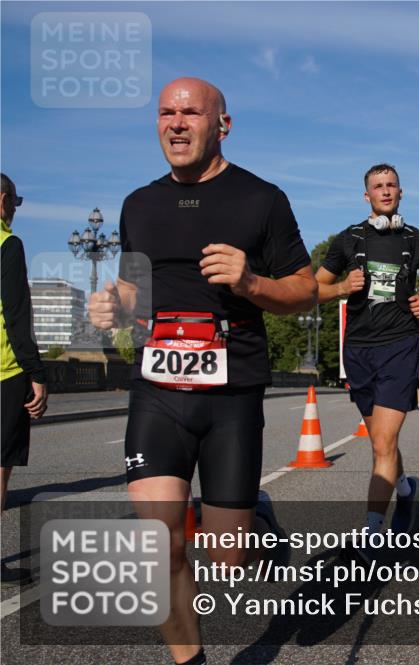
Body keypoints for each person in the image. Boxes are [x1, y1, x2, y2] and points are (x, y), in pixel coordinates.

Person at [88, 78, 317, 665]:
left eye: (192, 112)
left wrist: (251, 282)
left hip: (230, 392)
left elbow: (305, 291)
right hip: (158, 390)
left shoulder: (261, 199)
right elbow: (136, 289)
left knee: (226, 555)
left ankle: (255, 526)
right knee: (156, 546)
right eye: (167, 112)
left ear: (223, 124)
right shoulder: (139, 203)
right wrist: (115, 305)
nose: (178, 122)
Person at [316, 163, 419, 558]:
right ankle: (405, 489)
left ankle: (372, 533)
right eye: (378, 186)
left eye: (391, 185)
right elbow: (314, 287)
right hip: (358, 349)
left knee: (384, 442)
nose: (385, 191)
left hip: (401, 345)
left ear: (401, 193)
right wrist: (341, 287)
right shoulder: (348, 239)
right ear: (367, 196)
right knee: (380, 441)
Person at [1, 173, 48, 586]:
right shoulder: (8, 245)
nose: (15, 210)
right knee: (0, 467)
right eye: (15, 202)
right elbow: (17, 317)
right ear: (2, 200)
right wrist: (37, 372)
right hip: (5, 371)